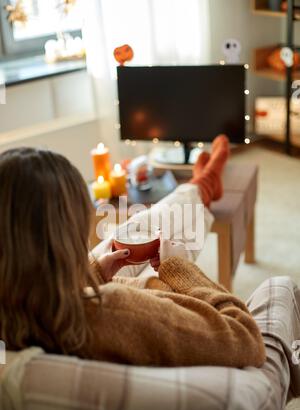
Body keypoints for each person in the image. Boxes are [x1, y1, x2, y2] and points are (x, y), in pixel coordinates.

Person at [0, 136, 266, 368]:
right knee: (169, 236)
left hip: (72, 289)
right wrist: (178, 267)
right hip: (111, 299)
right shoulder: (117, 312)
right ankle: (203, 185)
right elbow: (246, 339)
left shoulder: (15, 317)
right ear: (66, 235)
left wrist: (89, 275)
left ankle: (202, 185)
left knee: (132, 233)